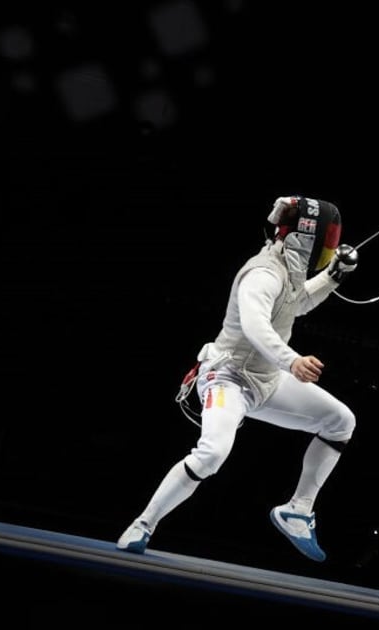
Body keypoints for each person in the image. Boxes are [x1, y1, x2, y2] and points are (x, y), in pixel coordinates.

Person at [116, 195, 359, 563]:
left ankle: (298, 510)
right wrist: (292, 362)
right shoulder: (262, 273)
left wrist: (333, 275)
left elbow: (297, 303)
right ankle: (143, 524)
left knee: (341, 421)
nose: (326, 249)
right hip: (227, 378)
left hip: (265, 380)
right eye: (325, 242)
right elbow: (255, 325)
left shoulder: (287, 271)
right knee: (212, 453)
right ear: (306, 237)